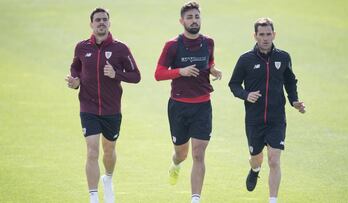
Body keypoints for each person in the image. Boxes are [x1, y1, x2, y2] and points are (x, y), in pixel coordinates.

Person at [65, 8, 141, 203]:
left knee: (108, 150)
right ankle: (93, 196)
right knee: (92, 150)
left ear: (109, 23)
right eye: (97, 20)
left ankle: (107, 178)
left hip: (111, 109)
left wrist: (117, 74)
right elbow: (76, 67)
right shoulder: (82, 47)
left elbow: (136, 76)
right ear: (91, 24)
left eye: (104, 20)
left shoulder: (120, 48)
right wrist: (75, 81)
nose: (101, 23)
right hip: (88, 108)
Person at [228, 17, 305, 203]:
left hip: (276, 118)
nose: (265, 38)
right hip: (254, 120)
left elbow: (290, 81)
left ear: (274, 34)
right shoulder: (245, 59)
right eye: (261, 34)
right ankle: (255, 170)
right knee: (257, 158)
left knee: (274, 160)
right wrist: (246, 95)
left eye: (268, 34)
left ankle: (273, 199)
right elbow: (234, 84)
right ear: (254, 36)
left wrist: (294, 101)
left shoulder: (283, 57)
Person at [154, 2, 222, 203]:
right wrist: (180, 71)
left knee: (199, 154)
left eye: (197, 17)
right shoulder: (173, 45)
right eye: (190, 17)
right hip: (179, 107)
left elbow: (208, 63)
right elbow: (158, 74)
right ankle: (175, 164)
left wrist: (213, 70)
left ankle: (195, 198)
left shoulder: (208, 42)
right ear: (182, 21)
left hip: (202, 106)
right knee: (181, 154)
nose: (194, 21)